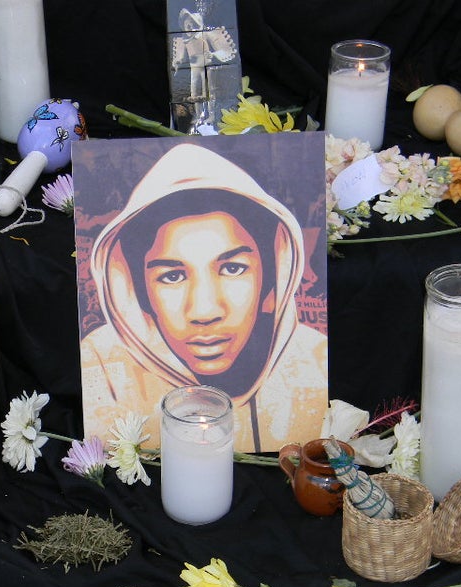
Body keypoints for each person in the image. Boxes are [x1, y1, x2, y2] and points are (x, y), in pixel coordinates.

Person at [79, 142, 328, 453]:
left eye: (233, 269)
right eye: (172, 276)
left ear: (272, 277)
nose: (204, 310)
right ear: (137, 291)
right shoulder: (102, 368)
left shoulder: (315, 362)